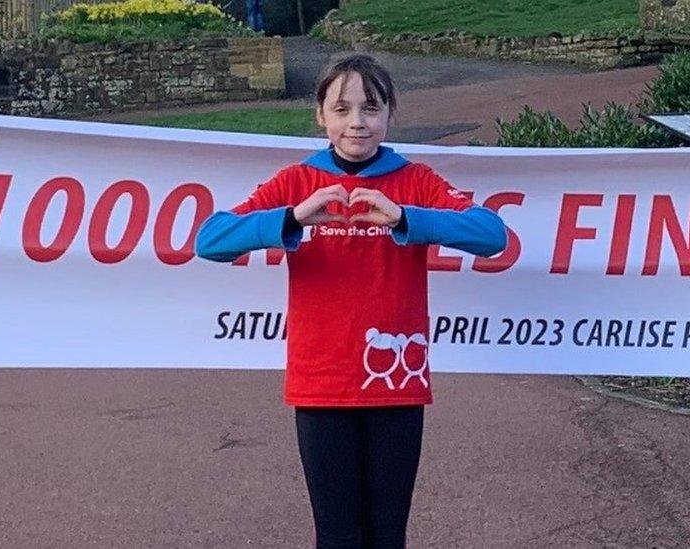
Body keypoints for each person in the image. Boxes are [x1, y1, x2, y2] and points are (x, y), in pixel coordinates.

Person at [194, 54, 507, 549]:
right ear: (321, 115)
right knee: (338, 535)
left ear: (390, 115)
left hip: (396, 385)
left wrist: (407, 217)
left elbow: (493, 236)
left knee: (387, 535)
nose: (357, 122)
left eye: (371, 107)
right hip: (321, 385)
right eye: (342, 109)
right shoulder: (297, 181)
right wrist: (293, 218)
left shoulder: (417, 180)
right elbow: (210, 241)